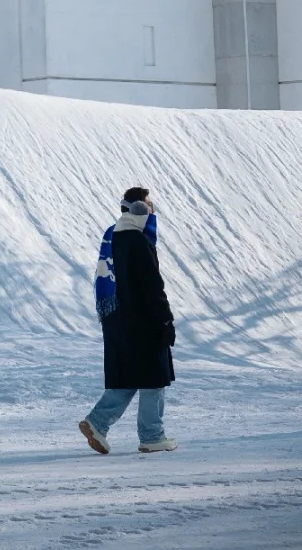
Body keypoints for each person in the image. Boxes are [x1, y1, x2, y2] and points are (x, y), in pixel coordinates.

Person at [78, 186, 178, 455]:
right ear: (138, 209)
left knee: (131, 376)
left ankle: (97, 422)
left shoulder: (113, 236)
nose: (152, 209)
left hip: (117, 321)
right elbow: (152, 286)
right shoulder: (137, 240)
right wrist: (165, 320)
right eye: (148, 204)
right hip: (143, 321)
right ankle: (152, 436)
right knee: (154, 378)